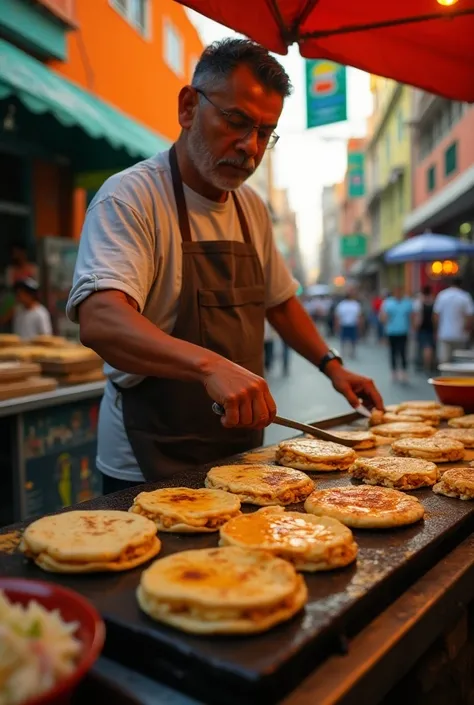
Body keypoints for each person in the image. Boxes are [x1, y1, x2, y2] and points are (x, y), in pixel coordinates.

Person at [66, 38, 384, 493]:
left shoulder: (250, 206)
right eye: (236, 122)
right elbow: (101, 321)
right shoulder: (131, 197)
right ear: (189, 106)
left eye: (264, 132)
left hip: (240, 453)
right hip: (146, 458)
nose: (250, 148)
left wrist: (333, 365)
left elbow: (281, 301)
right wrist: (208, 366)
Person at [434, 277, 474, 363]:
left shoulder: (442, 295)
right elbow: (470, 316)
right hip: (460, 334)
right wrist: (467, 330)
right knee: (459, 361)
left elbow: (436, 315)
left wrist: (437, 329)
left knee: (444, 362)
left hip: (444, 333)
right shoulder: (465, 297)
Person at [380, 287, 413, 383]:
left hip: (403, 331)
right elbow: (383, 317)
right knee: (393, 352)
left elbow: (411, 316)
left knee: (403, 352)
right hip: (391, 331)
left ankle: (403, 371)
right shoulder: (388, 303)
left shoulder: (407, 302)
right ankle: (394, 371)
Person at [413, 285, 436, 372]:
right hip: (431, 326)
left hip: (422, 327)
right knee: (430, 346)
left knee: (425, 347)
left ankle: (425, 364)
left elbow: (417, 317)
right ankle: (429, 364)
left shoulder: (419, 302)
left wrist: (415, 327)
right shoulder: (433, 301)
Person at [334, 291, 362, 359]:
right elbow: (338, 315)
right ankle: (344, 352)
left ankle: (352, 352)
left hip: (352, 324)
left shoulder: (355, 304)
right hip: (344, 324)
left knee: (353, 340)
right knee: (343, 339)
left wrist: (359, 324)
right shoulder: (342, 304)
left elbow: (359, 315)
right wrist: (337, 324)